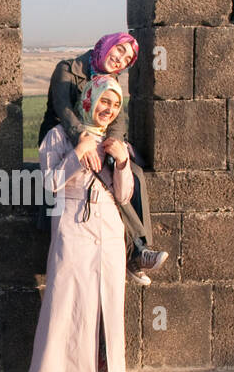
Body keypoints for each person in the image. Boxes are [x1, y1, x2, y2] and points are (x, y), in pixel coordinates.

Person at [26, 74, 133, 372]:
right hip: (72, 227)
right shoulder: (59, 136)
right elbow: (51, 183)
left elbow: (124, 195)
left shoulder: (115, 141)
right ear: (88, 98)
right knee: (73, 302)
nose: (109, 109)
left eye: (115, 105)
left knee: (108, 303)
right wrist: (79, 151)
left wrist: (123, 162)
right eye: (104, 101)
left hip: (109, 229)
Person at [38, 33, 167, 285]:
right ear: (106, 46)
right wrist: (85, 142)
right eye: (119, 50)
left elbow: (118, 121)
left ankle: (140, 250)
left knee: (134, 173)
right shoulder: (67, 69)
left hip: (99, 140)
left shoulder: (111, 80)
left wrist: (113, 145)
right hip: (65, 139)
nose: (120, 59)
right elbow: (64, 110)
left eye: (127, 59)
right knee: (102, 175)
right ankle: (138, 249)